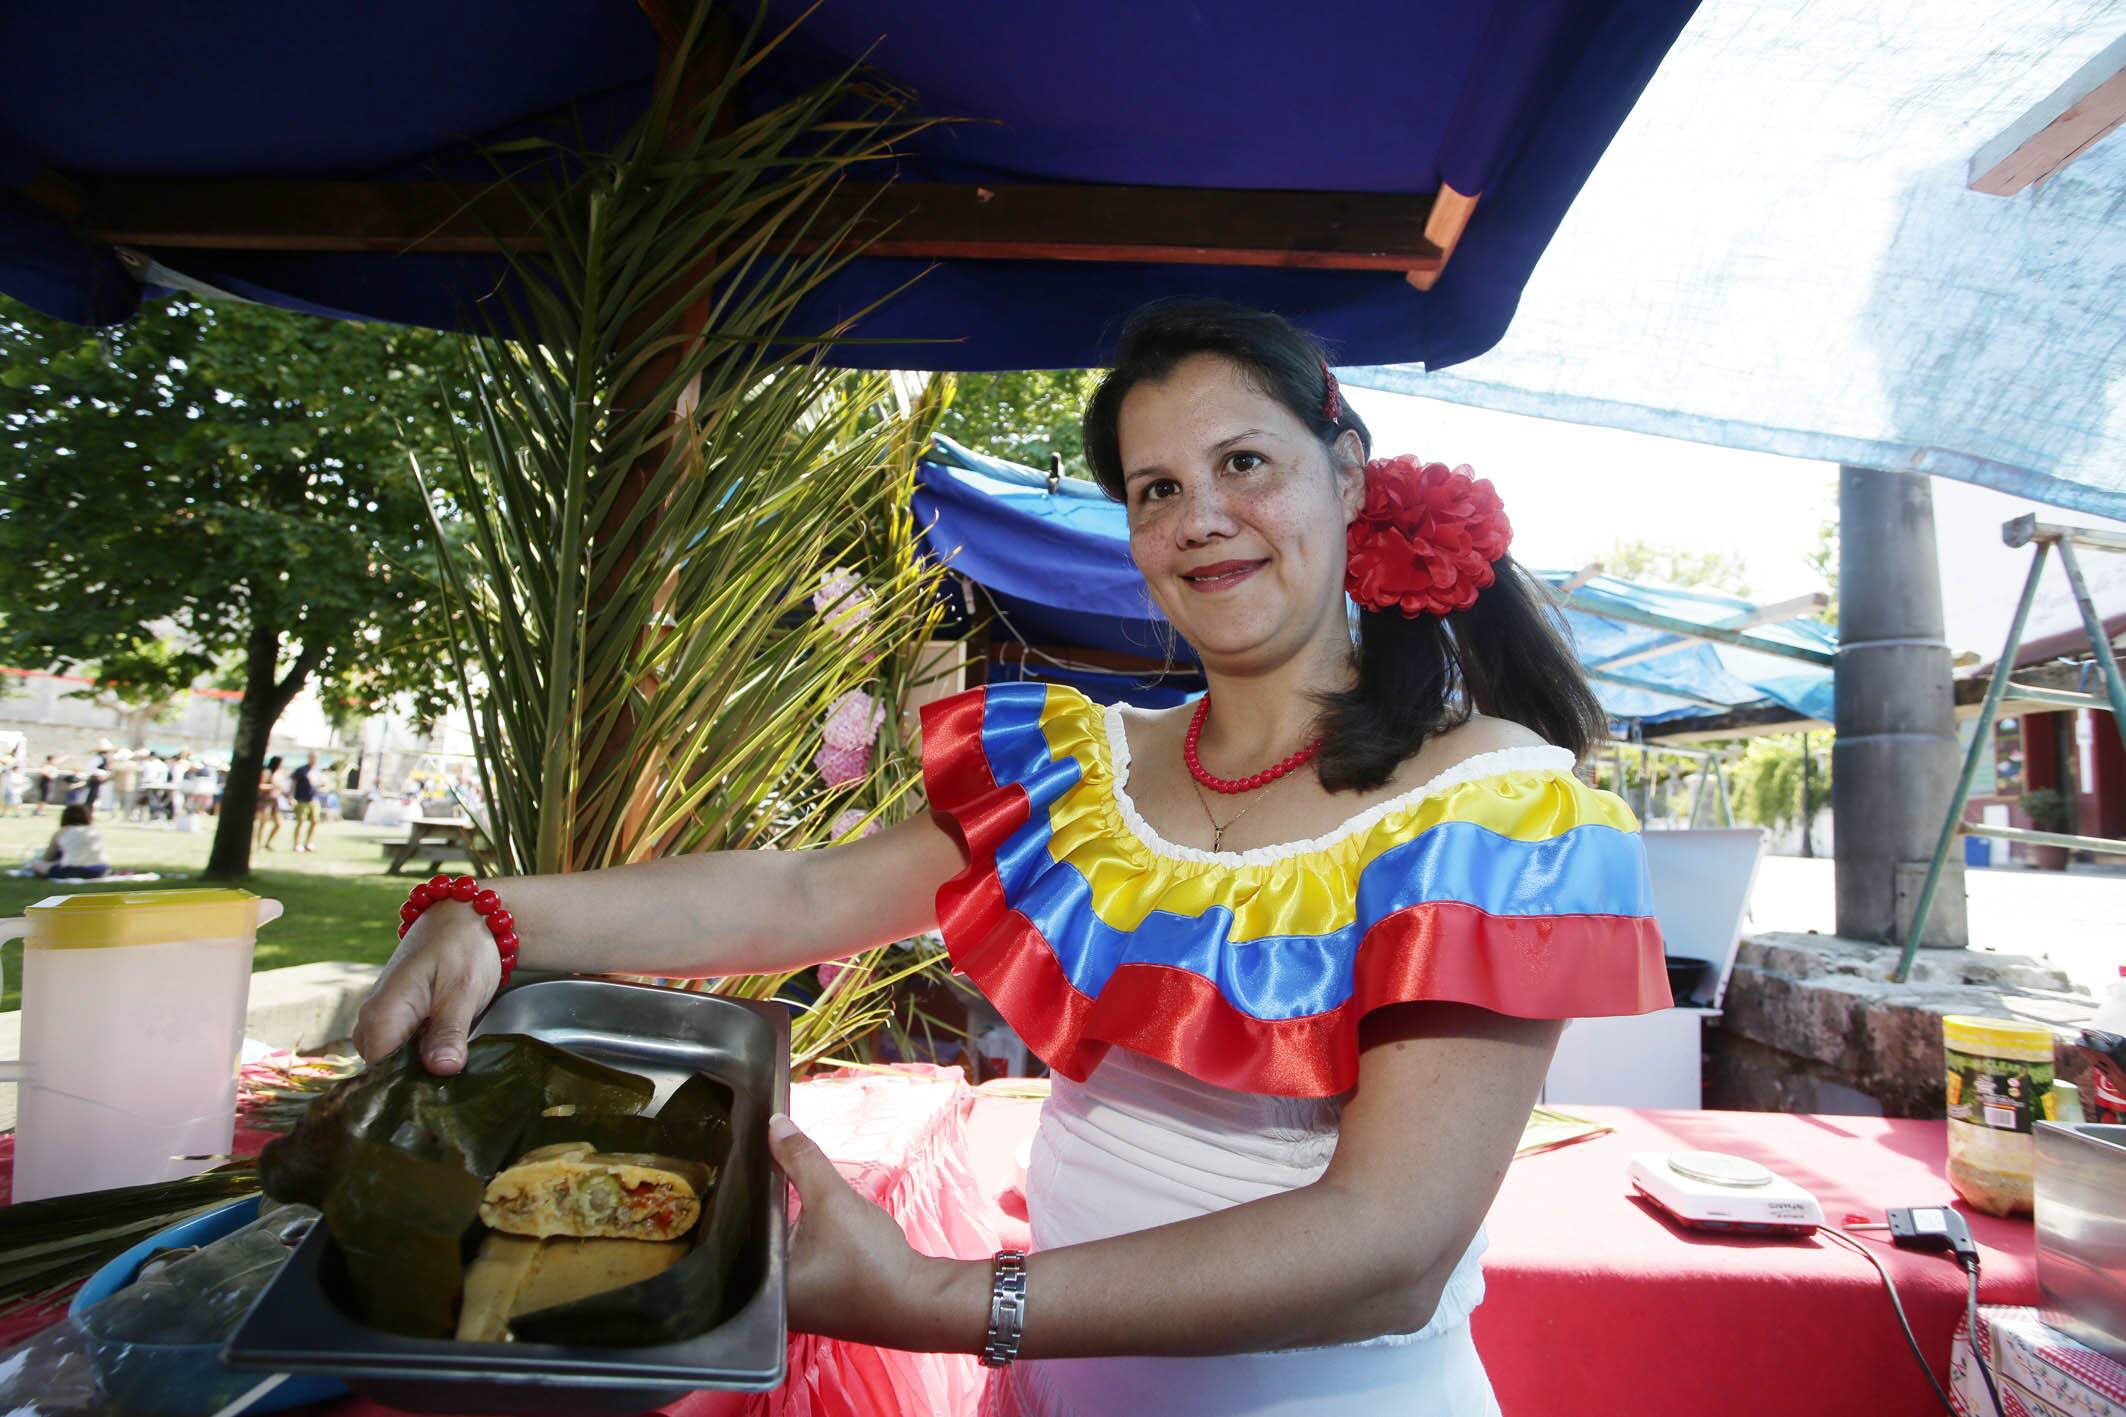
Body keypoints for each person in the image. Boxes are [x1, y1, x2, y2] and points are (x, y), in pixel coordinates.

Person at [354, 301, 1669, 1415]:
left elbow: (1388, 1243)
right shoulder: (1078, 770)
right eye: (1156, 489)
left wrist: (940, 1301)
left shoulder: (1497, 806)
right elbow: (808, 892)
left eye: (1245, 464)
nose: (1200, 517)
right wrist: (494, 918)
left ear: (1349, 473)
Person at [26, 804, 110, 880]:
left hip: (73, 870)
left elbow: (47, 858)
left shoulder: (62, 832)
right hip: (101, 870)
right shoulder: (94, 831)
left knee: (36, 864)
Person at [289, 753, 321, 852]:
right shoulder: (301, 770)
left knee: (315, 821)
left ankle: (308, 843)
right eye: (312, 757)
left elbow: (319, 783)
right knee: (300, 821)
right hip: (301, 799)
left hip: (314, 799)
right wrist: (291, 796)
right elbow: (293, 783)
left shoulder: (317, 771)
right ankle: (297, 844)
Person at [255, 755, 287, 851]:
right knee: (262, 823)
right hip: (265, 800)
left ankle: (268, 843)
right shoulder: (267, 772)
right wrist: (273, 786)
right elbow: (260, 786)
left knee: (278, 824)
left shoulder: (279, 773)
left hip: (274, 800)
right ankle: (259, 845)